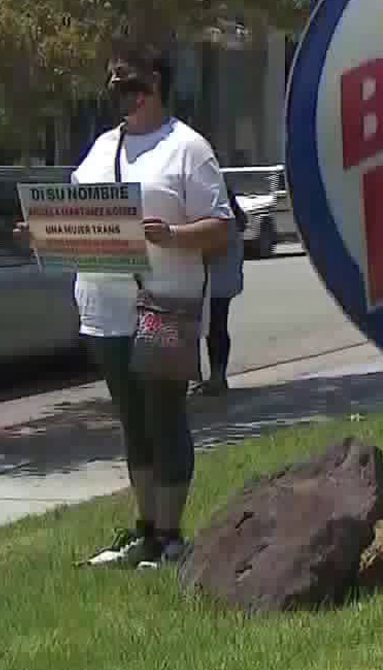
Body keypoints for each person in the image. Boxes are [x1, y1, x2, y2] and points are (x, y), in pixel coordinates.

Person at [65, 42, 236, 567]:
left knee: (165, 417)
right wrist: (46, 234)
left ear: (155, 83)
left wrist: (174, 235)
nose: (120, 91)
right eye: (113, 80)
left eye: (129, 80)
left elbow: (222, 228)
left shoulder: (187, 148)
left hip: (162, 304)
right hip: (104, 307)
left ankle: (170, 534)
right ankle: (145, 527)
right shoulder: (100, 148)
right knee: (132, 421)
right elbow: (78, 214)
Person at [196, 191, 247, 397]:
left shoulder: (224, 220)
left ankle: (216, 377)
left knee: (214, 327)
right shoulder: (230, 217)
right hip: (221, 281)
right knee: (216, 327)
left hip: (216, 282)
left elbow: (212, 249)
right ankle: (216, 376)